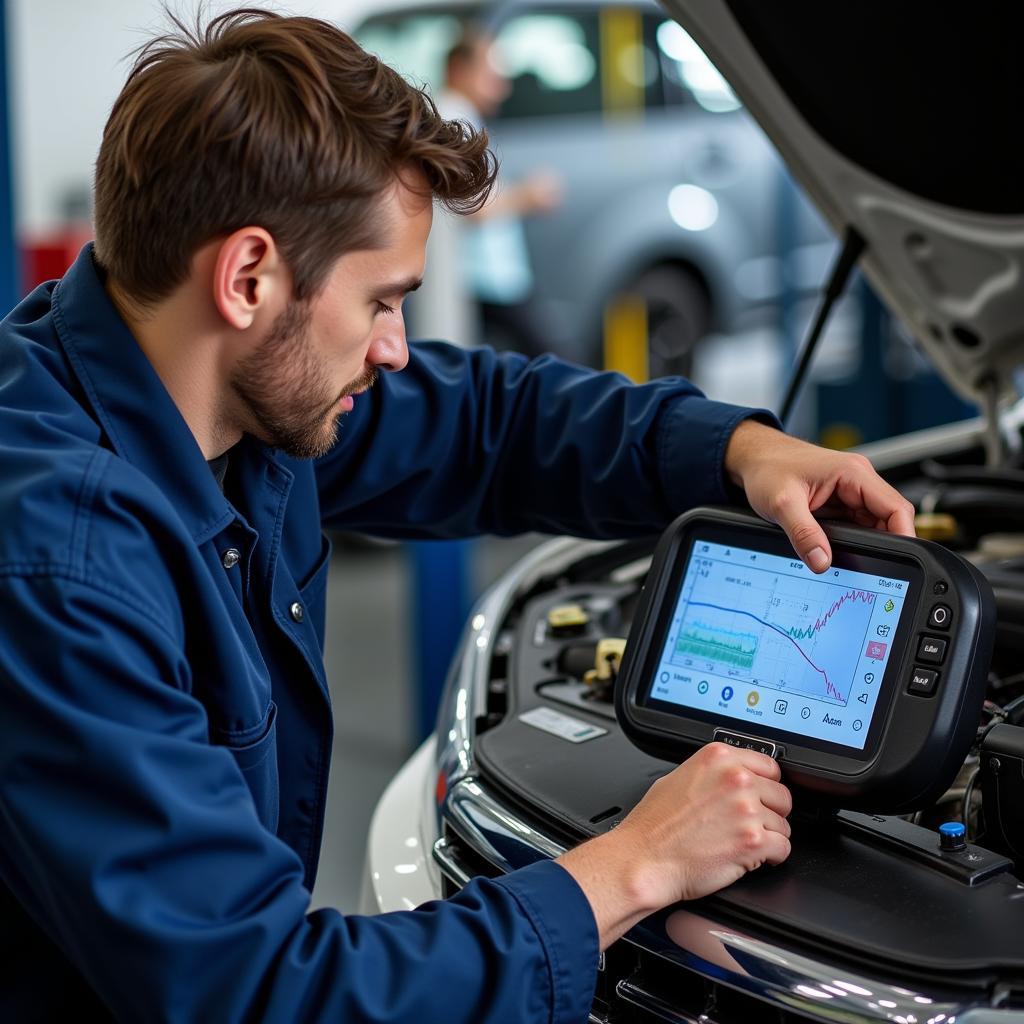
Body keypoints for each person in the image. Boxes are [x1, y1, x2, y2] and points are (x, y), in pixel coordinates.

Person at [0, 10, 915, 1023]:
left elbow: (491, 420)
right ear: (248, 277)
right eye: (382, 302)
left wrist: (736, 450)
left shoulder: (212, 391)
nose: (395, 349)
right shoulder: (60, 564)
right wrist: (634, 864)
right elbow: (257, 995)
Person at [437, 28, 562, 356]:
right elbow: (470, 206)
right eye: (491, 75)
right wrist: (528, 196)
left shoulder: (459, 114)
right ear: (459, 71)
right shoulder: (454, 117)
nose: (502, 87)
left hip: (484, 276)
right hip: (484, 276)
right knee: (546, 358)